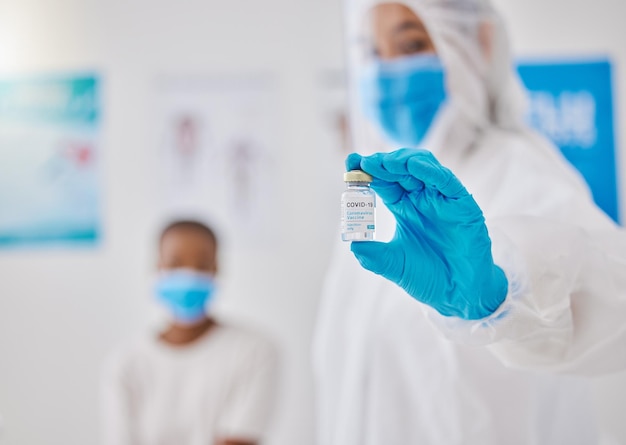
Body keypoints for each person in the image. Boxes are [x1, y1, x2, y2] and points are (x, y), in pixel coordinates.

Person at [314, 1, 626, 444]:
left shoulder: (520, 170)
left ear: (475, 44)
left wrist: (504, 294)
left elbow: (613, 300)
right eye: (372, 51)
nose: (387, 72)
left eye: (411, 44)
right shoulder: (378, 195)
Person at [101, 220, 278, 445]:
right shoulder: (125, 362)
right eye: (176, 263)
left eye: (202, 264)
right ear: (158, 267)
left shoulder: (254, 351)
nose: (189, 274)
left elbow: (239, 439)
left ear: (216, 269)